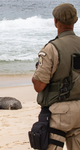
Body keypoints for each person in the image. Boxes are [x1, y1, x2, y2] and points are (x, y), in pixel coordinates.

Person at [32, 3, 80, 150]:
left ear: (55, 22)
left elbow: (39, 85)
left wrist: (35, 75)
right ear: (76, 20)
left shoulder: (51, 48)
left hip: (59, 112)